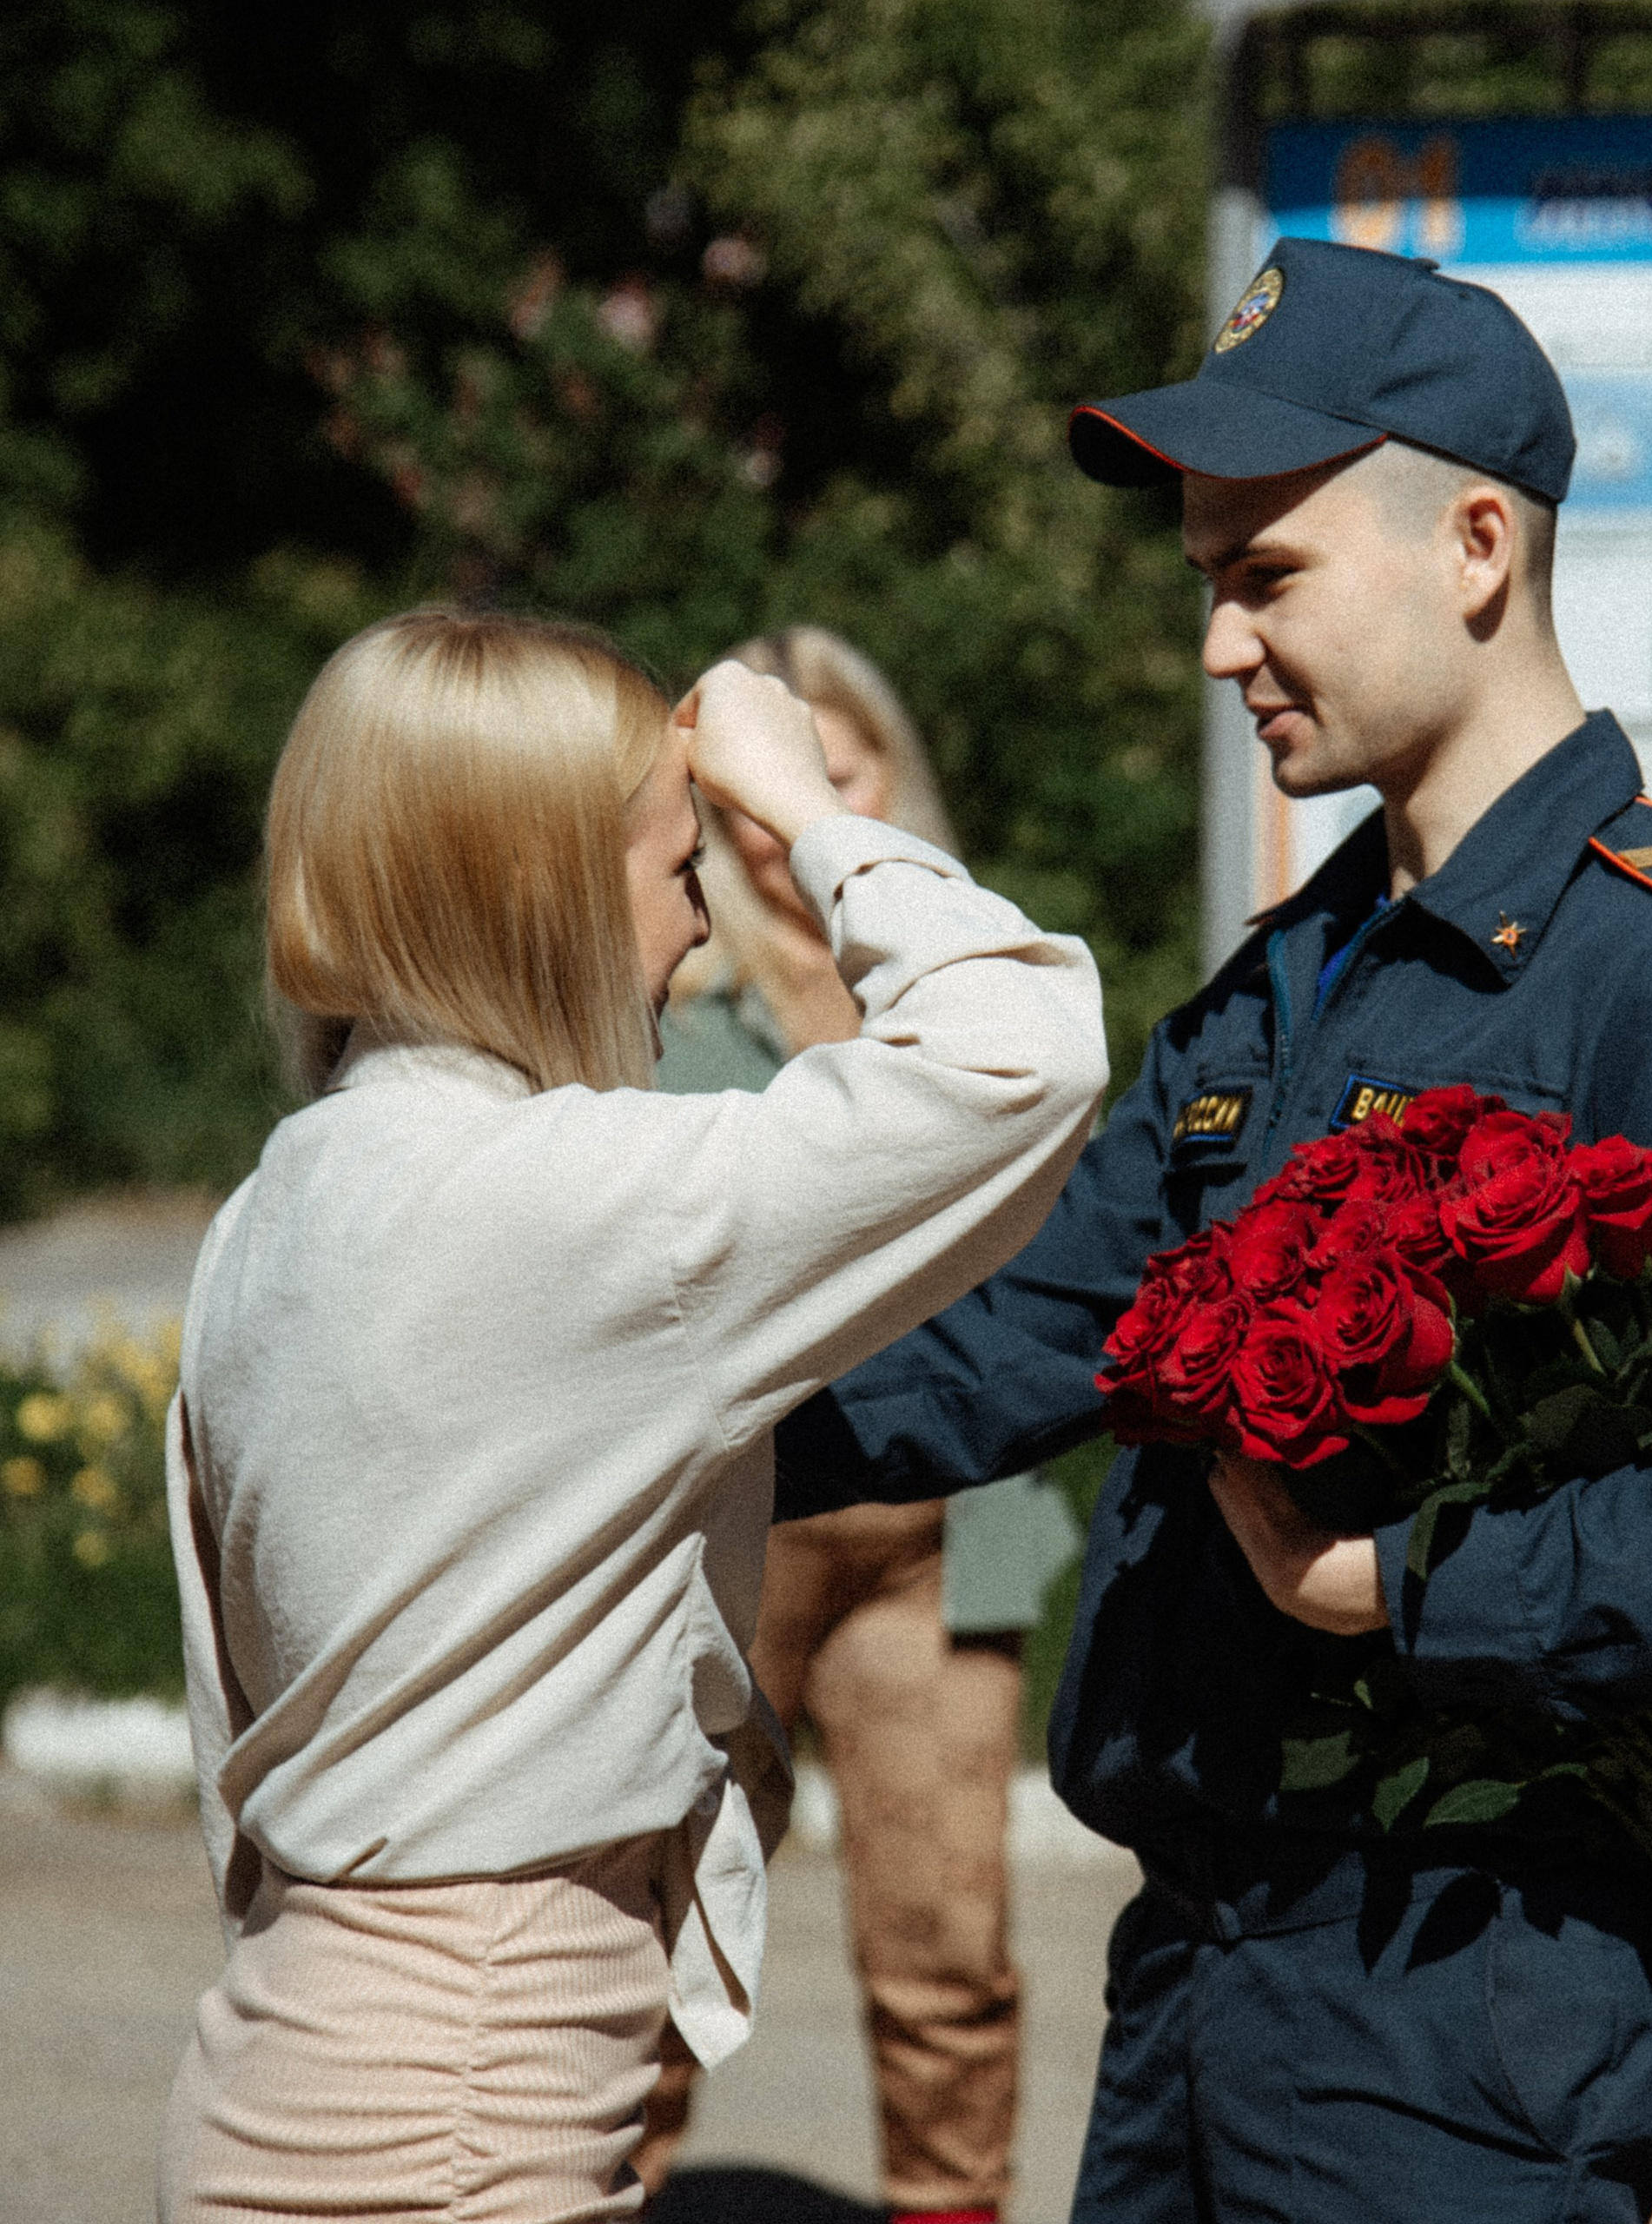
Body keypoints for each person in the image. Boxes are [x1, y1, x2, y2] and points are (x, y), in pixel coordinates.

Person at [773, 238, 1652, 2222]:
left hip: (1454, 1998)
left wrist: (1404, 1574)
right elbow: (1018, 1335)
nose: (1219, 645)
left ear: (1473, 542)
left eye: (1264, 574)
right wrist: (658, 1420)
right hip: (1198, 1975)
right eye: (1210, 583)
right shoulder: (1281, 987)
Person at [159, 608, 1106, 2222]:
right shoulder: (582, 1205)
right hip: (470, 2096)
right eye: (683, 872)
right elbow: (1027, 1056)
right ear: (547, 890)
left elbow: (222, 1694)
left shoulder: (280, 1200)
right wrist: (812, 811)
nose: (695, 929)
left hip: (288, 2043)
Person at [636, 626, 1079, 2224]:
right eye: (761, 773)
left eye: (838, 762)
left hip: (948, 1534)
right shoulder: (662, 977)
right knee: (647, 1942)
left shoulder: (978, 973)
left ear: (890, 774)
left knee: (948, 1951)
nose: (789, 808)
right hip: (730, 1530)